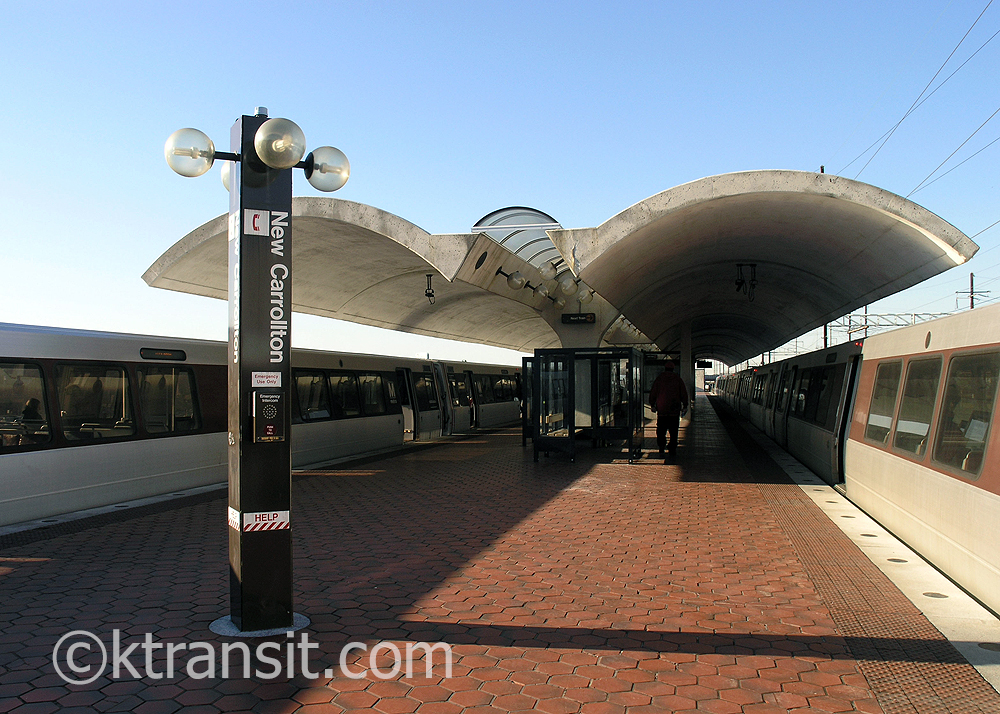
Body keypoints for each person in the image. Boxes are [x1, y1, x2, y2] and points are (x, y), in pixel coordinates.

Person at [648, 360, 689, 459]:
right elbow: (683, 393)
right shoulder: (678, 379)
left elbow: (653, 392)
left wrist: (652, 404)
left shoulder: (659, 379)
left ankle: (661, 446)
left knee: (661, 430)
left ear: (665, 368)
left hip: (662, 411)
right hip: (674, 410)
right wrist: (685, 405)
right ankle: (672, 448)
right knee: (674, 431)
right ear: (673, 369)